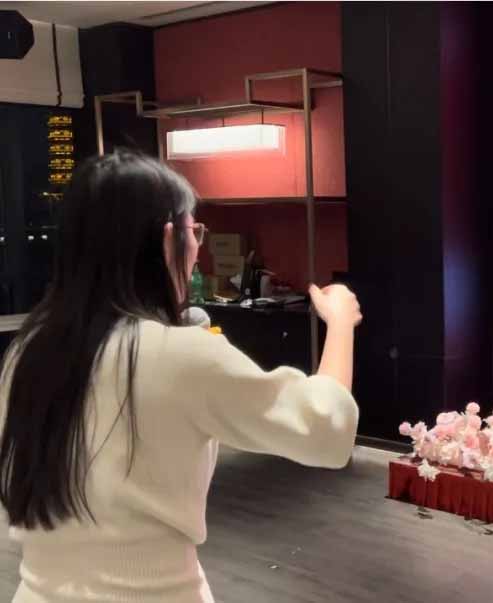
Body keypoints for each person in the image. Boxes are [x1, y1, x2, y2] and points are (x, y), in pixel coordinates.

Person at [0, 151, 361, 602]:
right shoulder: (180, 354)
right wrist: (340, 323)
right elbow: (326, 430)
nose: (198, 248)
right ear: (169, 238)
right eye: (195, 231)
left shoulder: (27, 352)